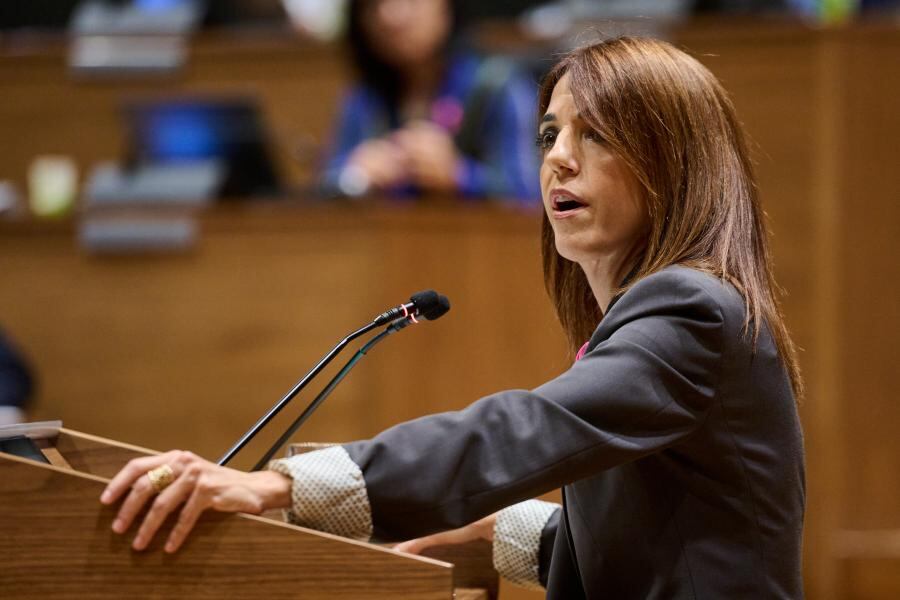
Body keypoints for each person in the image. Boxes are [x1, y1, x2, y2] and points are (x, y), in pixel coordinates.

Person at [101, 37, 806, 598]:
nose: (557, 158)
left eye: (597, 136)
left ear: (673, 165)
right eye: (551, 133)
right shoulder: (671, 315)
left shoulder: (692, 312)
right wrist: (494, 530)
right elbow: (650, 545)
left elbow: (525, 430)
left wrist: (277, 486)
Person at [321, 0, 542, 204]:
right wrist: (355, 177)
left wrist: (459, 175)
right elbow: (322, 190)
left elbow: (531, 194)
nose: (389, 16)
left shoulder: (496, 84)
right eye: (373, 4)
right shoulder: (364, 97)